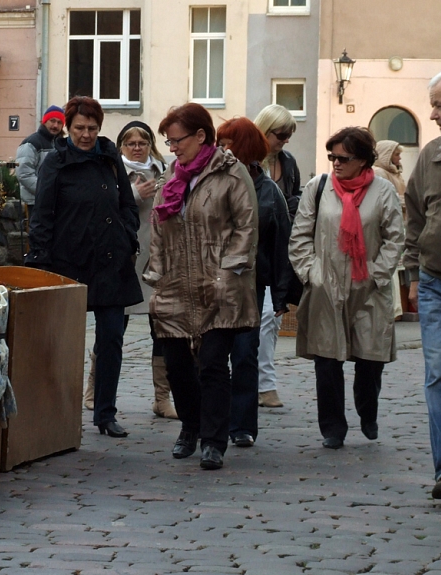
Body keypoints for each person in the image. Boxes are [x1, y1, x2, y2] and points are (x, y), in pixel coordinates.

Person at [144, 103, 258, 470]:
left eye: (177, 140)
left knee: (211, 364)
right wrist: (158, 274)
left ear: (200, 136)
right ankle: (189, 427)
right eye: (168, 140)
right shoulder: (172, 176)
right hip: (176, 285)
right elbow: (159, 229)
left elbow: (246, 226)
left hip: (219, 285)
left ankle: (213, 440)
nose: (172, 147)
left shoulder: (231, 173)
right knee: (176, 364)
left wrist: (228, 271)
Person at [26, 96, 142, 438]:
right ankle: (59, 412)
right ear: (67, 127)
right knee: (65, 341)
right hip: (69, 260)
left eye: (92, 128)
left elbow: (126, 201)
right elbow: (42, 213)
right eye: (79, 128)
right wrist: (40, 258)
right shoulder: (56, 162)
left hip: (111, 260)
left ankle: (105, 412)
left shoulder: (109, 158)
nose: (86, 135)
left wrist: (128, 233)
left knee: (112, 338)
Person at [289, 127, 404, 450]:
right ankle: (332, 428)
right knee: (327, 361)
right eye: (332, 157)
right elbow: (299, 237)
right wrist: (312, 273)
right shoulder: (319, 187)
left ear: (364, 160)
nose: (336, 163)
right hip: (326, 288)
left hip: (368, 290)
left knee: (370, 360)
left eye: (344, 158)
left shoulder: (383, 192)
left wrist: (376, 276)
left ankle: (368, 412)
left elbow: (396, 239)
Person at [217, 117, 291, 448]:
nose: (220, 148)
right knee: (212, 356)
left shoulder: (268, 191)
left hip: (250, 283)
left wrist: (281, 295)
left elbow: (280, 243)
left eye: (227, 142)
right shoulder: (211, 181)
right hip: (212, 281)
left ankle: (242, 425)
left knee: (245, 353)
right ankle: (209, 423)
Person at [110, 120, 177, 419]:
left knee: (161, 331)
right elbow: (102, 210)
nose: (137, 148)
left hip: (156, 262)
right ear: (121, 146)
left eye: (143, 143)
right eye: (130, 143)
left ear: (151, 145)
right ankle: (97, 392)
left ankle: (162, 398)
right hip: (123, 263)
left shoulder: (163, 173)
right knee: (113, 330)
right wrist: (134, 195)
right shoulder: (112, 172)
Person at [404, 71, 441, 499]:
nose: (432, 114)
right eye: (434, 104)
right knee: (438, 375)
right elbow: (414, 217)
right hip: (435, 282)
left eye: (440, 105)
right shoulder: (430, 156)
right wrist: (414, 275)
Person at [253, 104, 301, 409]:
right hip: (253, 249)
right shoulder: (247, 161)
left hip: (277, 250)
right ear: (265, 129)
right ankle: (254, 381)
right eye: (281, 134)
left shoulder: (288, 162)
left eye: (289, 135)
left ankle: (265, 383)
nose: (285, 140)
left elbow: (292, 199)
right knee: (256, 320)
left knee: (271, 316)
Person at [15, 105, 65, 221]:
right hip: (36, 202)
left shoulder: (61, 144)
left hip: (56, 202)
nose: (55, 125)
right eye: (52, 121)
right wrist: (46, 191)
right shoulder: (31, 143)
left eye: (59, 122)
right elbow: (24, 174)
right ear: (44, 121)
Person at [373, 139, 405, 319]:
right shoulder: (379, 172)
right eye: (396, 154)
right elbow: (387, 198)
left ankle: (396, 309)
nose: (399, 158)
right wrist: (406, 201)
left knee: (395, 269)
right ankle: (392, 310)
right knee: (389, 268)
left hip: (399, 224)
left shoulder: (395, 173)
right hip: (386, 226)